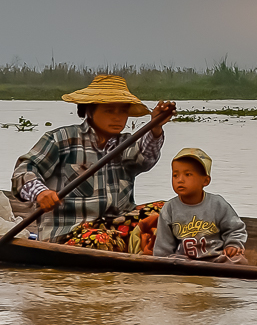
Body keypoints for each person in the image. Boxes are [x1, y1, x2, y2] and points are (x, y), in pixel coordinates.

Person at [12, 74, 173, 243]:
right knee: (101, 240)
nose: (117, 117)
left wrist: (155, 128)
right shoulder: (61, 139)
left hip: (117, 227)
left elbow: (144, 158)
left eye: (123, 111)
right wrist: (40, 193)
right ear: (90, 110)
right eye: (109, 110)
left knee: (165, 210)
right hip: (70, 232)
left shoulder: (126, 143)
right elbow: (23, 171)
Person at [139, 148, 248, 263]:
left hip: (215, 259)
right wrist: (162, 263)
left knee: (239, 260)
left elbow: (235, 229)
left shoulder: (217, 204)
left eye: (188, 174)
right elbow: (163, 246)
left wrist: (232, 245)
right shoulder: (169, 208)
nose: (180, 180)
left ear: (205, 181)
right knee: (169, 262)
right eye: (175, 175)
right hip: (183, 261)